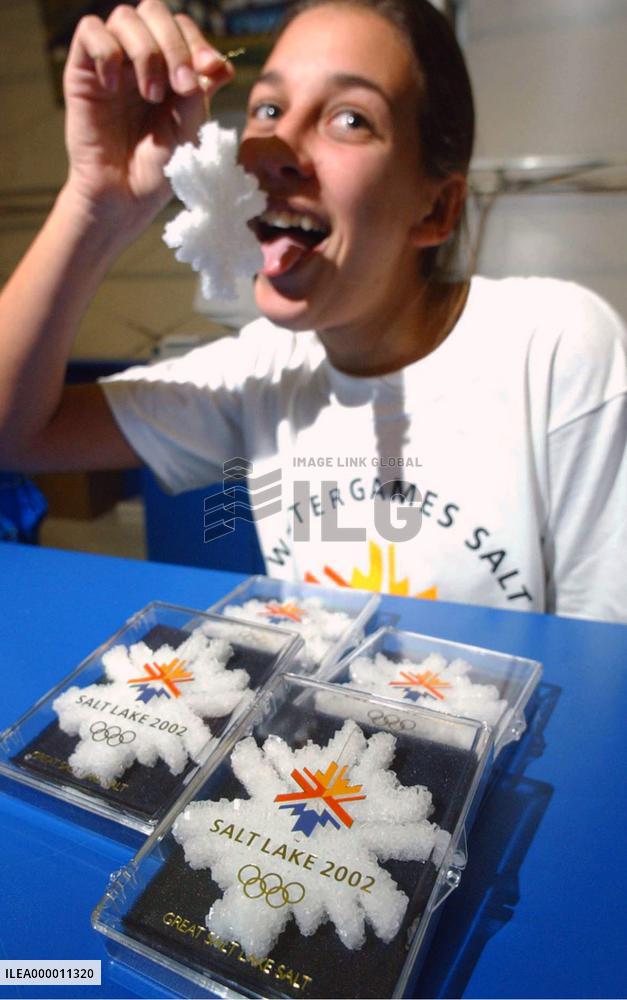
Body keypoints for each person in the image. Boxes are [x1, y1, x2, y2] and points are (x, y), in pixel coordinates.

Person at [0, 0, 625, 621]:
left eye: (350, 118)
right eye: (268, 108)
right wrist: (95, 200)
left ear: (435, 210)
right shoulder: (261, 373)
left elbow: (604, 662)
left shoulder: (551, 347)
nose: (277, 146)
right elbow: (15, 435)